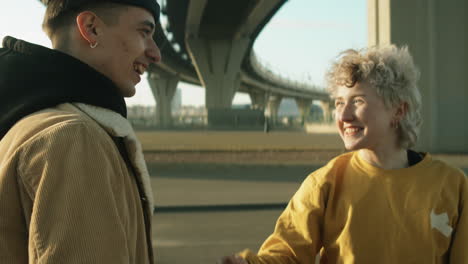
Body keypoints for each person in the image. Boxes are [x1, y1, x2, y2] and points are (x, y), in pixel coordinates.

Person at [220, 45, 468, 263]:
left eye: (357, 101)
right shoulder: (325, 184)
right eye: (339, 102)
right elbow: (288, 255)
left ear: (398, 111)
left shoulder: (452, 186)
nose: (343, 115)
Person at [0, 0, 161, 263]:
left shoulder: (26, 122)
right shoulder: (74, 138)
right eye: (144, 32)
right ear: (91, 28)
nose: (155, 54)